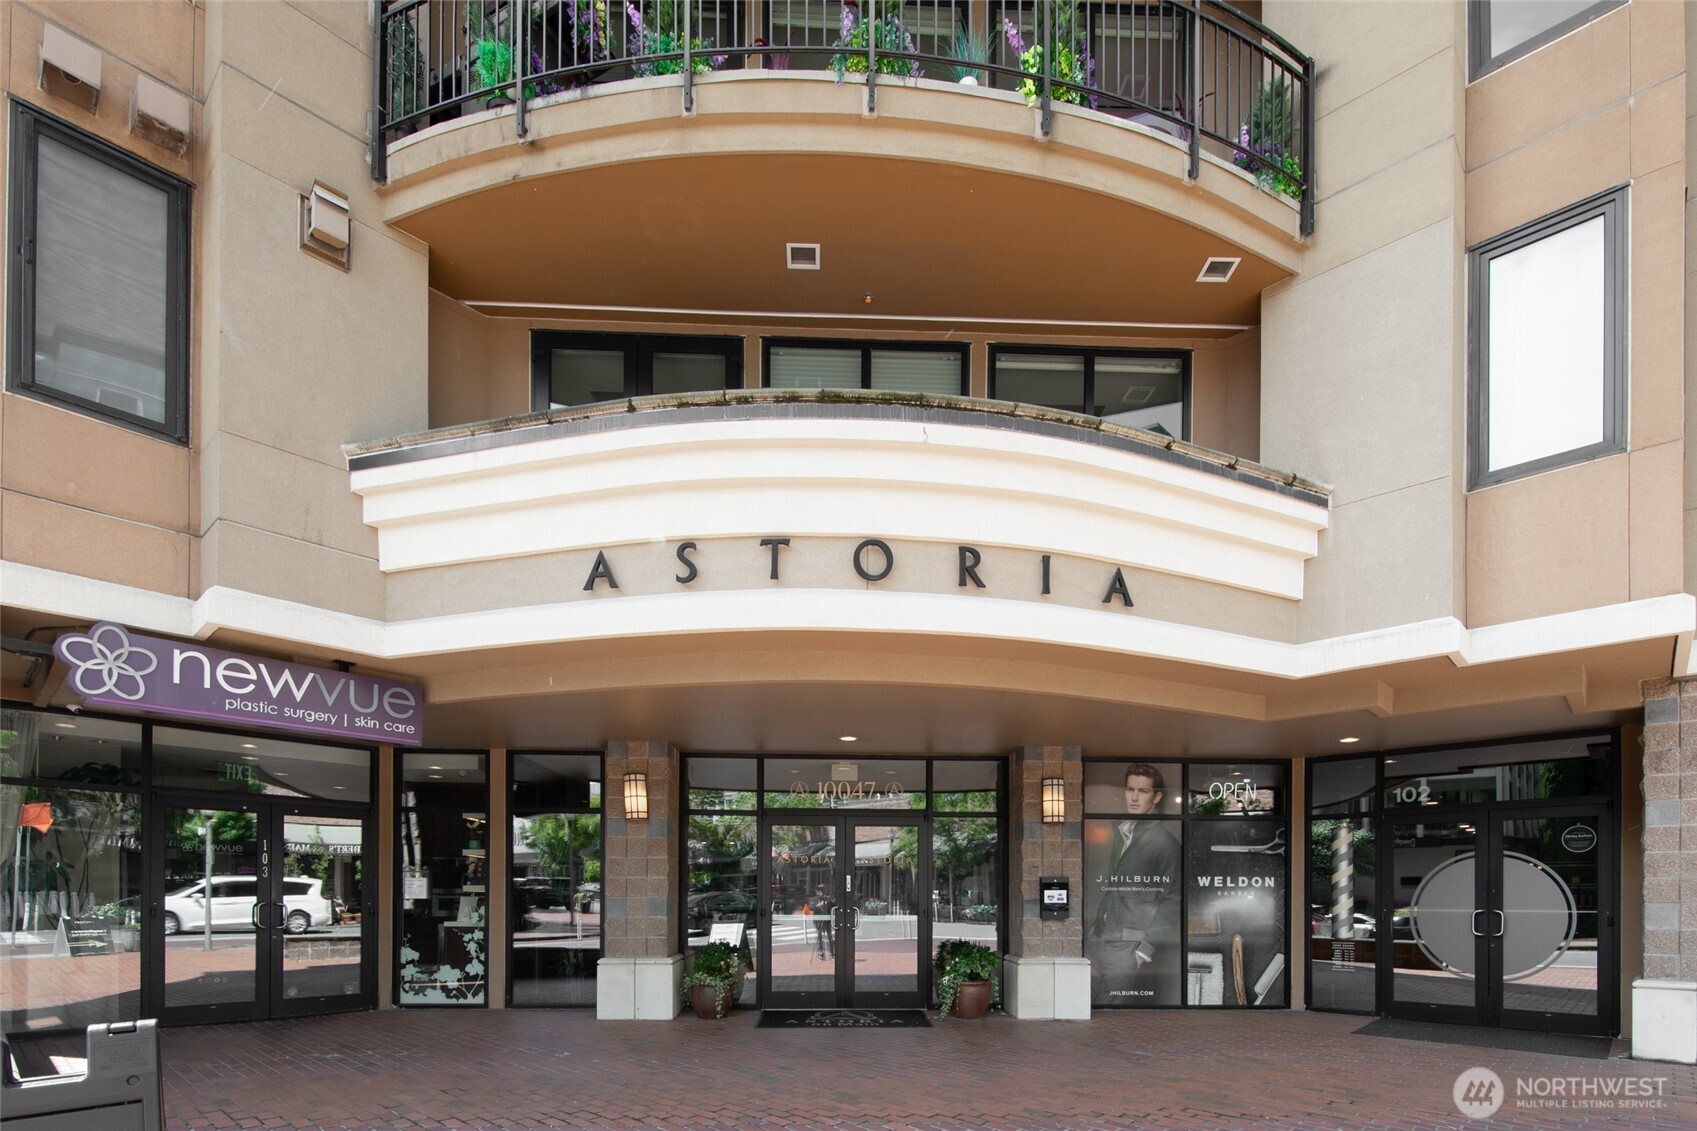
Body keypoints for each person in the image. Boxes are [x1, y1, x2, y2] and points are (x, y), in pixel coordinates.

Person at [1087, 763, 1181, 1006]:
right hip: (1099, 939)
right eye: (1130, 790)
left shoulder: (1164, 843)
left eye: (1143, 791)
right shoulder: (1123, 832)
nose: (1135, 798)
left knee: (1109, 1012)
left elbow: (1173, 901)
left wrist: (1143, 952)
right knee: (1087, 1006)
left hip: (1127, 946)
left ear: (1157, 797)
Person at [807, 884, 834, 960]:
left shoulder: (827, 899)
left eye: (823, 890)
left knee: (830, 937)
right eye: (820, 890)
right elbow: (811, 907)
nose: (822, 892)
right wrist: (818, 905)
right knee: (819, 937)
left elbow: (834, 906)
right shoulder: (814, 899)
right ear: (817, 891)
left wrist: (830, 901)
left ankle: (832, 954)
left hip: (827, 921)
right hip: (818, 921)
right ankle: (820, 954)